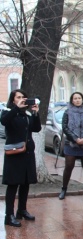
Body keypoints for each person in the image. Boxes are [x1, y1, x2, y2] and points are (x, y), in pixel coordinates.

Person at [1, 89, 41, 227]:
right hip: (14, 154)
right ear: (13, 100)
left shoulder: (27, 114)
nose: (22, 99)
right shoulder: (8, 112)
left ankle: (22, 210)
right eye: (18, 97)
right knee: (13, 185)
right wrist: (16, 109)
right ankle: (9, 215)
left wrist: (35, 113)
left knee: (25, 183)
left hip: (27, 153)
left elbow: (36, 129)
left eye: (23, 97)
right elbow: (4, 121)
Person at [58, 92, 83, 200]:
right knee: (69, 166)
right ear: (72, 100)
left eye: (79, 98)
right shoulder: (68, 112)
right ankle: (64, 189)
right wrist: (75, 139)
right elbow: (64, 127)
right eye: (75, 98)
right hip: (71, 144)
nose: (77, 100)